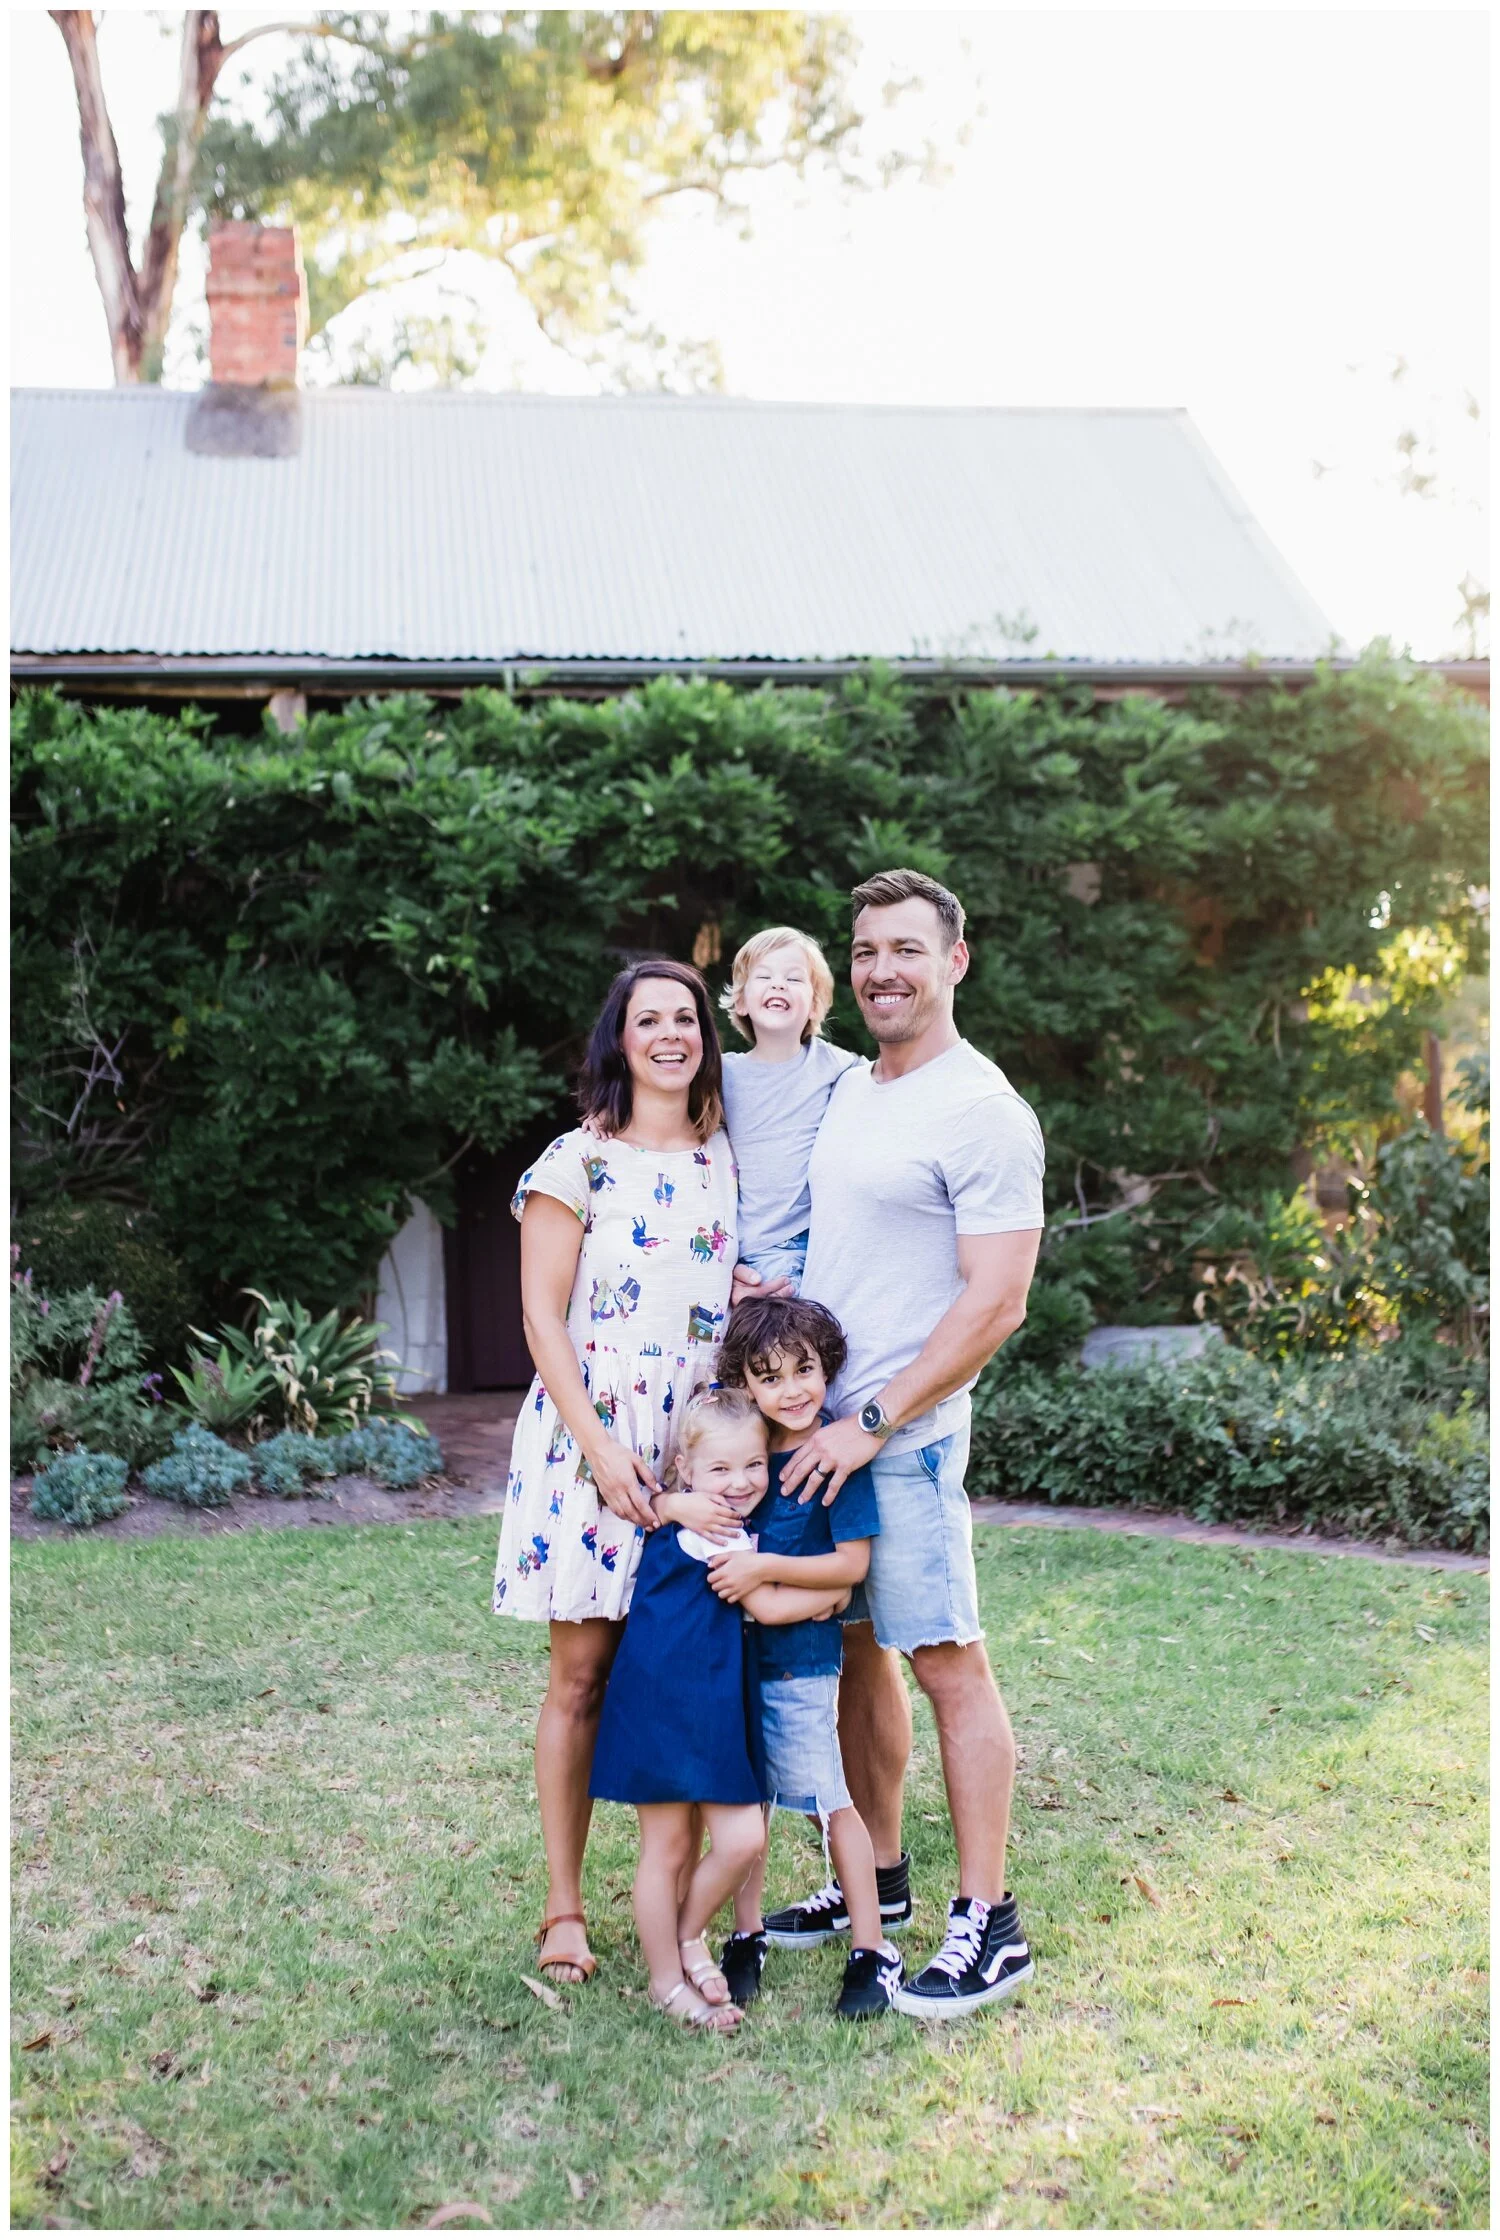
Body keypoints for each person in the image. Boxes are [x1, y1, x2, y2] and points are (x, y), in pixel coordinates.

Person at [738, 868, 1045, 2019]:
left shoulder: (984, 1110)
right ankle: (883, 1880)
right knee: (861, 1659)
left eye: (907, 949)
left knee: (945, 1657)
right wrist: (784, 1290)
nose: (882, 969)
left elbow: (996, 1300)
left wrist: (874, 1421)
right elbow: (852, 1242)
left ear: (956, 960)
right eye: (866, 950)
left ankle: (991, 1923)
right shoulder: (859, 1088)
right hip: (821, 1433)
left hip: (896, 1441)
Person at [492, 958, 743, 1988]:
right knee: (583, 1673)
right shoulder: (575, 1161)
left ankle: (685, 1905)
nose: (672, 1032)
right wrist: (601, 1449)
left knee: (681, 1675)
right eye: (651, 1018)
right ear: (620, 1038)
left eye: (687, 1016)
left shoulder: (727, 1156)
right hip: (589, 1437)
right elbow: (540, 1317)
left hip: (700, 1443)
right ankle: (564, 1905)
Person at [590, 1386, 853, 2031]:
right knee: (668, 1846)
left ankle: (685, 1938)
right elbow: (764, 1606)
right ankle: (664, 1981)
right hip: (665, 1699)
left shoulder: (714, 1519)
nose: (739, 1483)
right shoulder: (711, 1528)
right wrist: (832, 1599)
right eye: (720, 1469)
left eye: (753, 1466)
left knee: (741, 1838)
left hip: (713, 1705)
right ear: (686, 1468)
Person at [709, 1293, 905, 2021]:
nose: (791, 1389)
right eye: (769, 1376)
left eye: (805, 1370)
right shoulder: (743, 1453)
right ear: (744, 1382)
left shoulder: (833, 1457)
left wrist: (768, 1583)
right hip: (731, 1666)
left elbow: (849, 1567)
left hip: (801, 1666)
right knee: (744, 1804)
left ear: (828, 1369)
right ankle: (745, 1934)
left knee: (829, 1802)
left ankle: (871, 1948)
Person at [718, 926, 860, 1293]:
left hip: (817, 1247)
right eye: (764, 977)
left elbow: (896, 1087)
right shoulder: (721, 1073)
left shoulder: (839, 1067)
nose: (778, 985)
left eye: (794, 978)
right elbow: (659, 1106)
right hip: (749, 1253)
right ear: (742, 1002)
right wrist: (608, 1115)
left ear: (814, 1004)